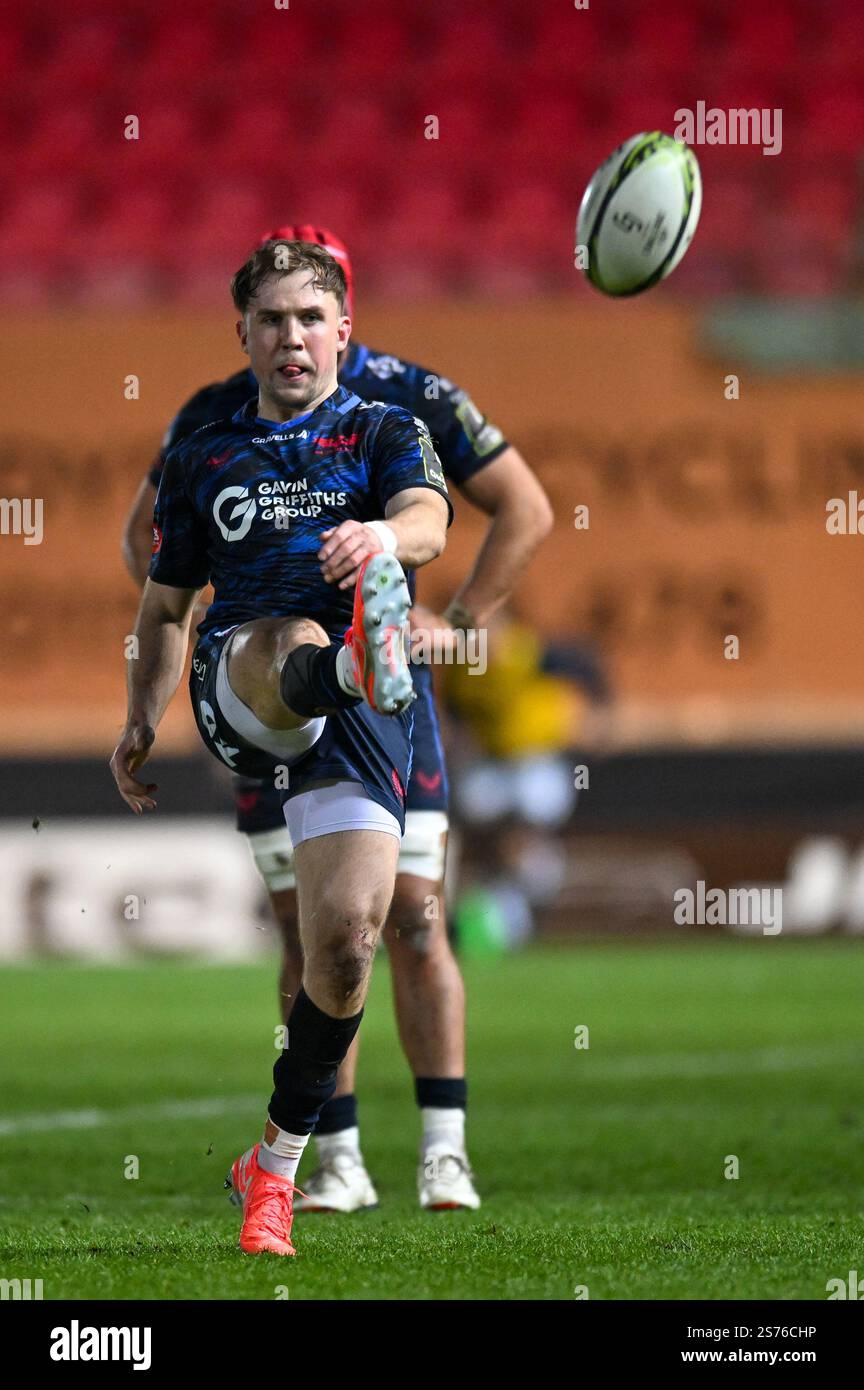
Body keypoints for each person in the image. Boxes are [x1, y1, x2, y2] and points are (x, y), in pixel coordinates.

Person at [122, 225, 553, 1213]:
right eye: (271, 319)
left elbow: (463, 514)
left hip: (383, 703)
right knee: (296, 921)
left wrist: (447, 611)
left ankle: (398, 1154)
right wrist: (157, 676)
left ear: (343, 319)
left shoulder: (396, 413)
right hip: (256, 684)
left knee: (383, 926)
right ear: (243, 330)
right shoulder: (205, 436)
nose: (292, 335)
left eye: (311, 315)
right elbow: (151, 578)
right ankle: (341, 1160)